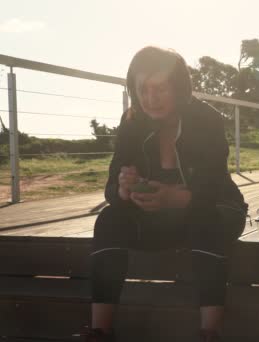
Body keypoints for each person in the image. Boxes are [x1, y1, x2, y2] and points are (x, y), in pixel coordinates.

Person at [81, 46, 248, 342]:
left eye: (159, 88)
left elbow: (213, 186)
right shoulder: (132, 120)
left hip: (213, 210)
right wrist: (123, 189)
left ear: (178, 87)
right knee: (109, 219)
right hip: (158, 220)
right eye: (142, 89)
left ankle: (210, 333)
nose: (150, 98)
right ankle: (99, 332)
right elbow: (111, 188)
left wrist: (174, 198)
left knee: (205, 220)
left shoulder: (206, 119)